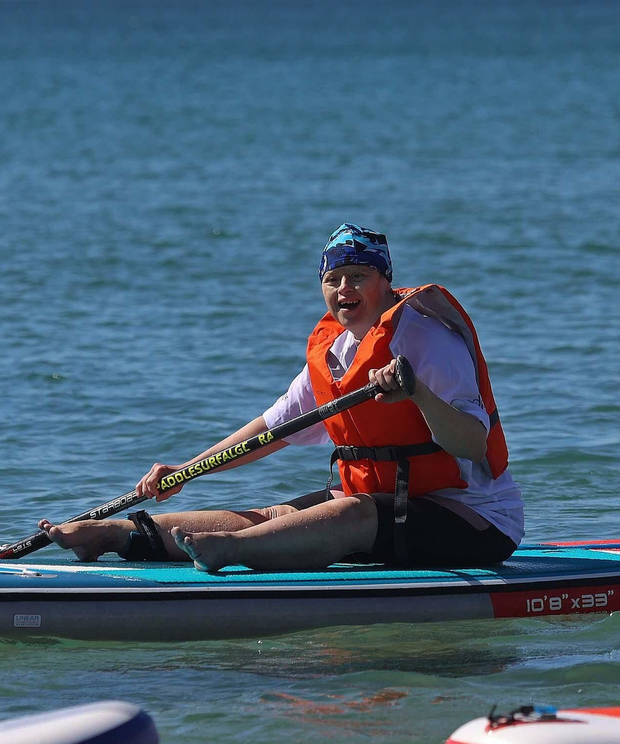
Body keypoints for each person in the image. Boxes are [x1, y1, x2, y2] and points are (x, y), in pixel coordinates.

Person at [38, 225, 524, 572]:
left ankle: (231, 551)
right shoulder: (336, 353)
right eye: (333, 279)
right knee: (276, 516)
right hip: (388, 505)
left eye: (358, 275)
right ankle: (117, 535)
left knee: (350, 512)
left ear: (385, 281)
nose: (344, 288)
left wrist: (416, 393)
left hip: (474, 519)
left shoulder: (429, 340)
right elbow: (269, 432)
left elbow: (472, 444)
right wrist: (185, 471)